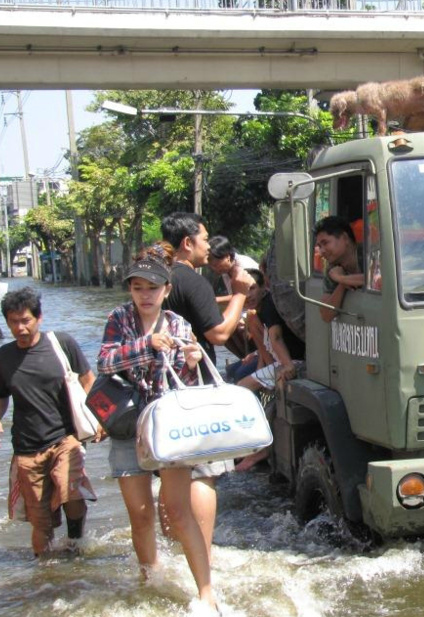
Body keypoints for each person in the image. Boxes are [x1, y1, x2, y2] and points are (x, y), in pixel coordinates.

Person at [97, 243, 219, 610]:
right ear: (130, 290)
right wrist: (145, 345)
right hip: (128, 423)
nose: (145, 295)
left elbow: (188, 381)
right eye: (137, 288)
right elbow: (105, 361)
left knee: (179, 511)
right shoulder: (119, 318)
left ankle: (206, 591)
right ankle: (150, 577)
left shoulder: (180, 324)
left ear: (166, 289)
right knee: (140, 513)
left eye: (152, 288)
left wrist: (193, 358)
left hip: (169, 426)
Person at [160, 212, 251, 569]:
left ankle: (171, 553)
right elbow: (219, 334)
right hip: (193, 387)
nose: (207, 246)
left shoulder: (157, 277)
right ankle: (203, 556)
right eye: (204, 239)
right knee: (203, 472)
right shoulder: (191, 280)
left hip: (161, 387)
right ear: (187, 243)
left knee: (170, 472)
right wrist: (241, 295)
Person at [0, 286, 98, 557]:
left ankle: (75, 542)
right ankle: (44, 574)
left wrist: (99, 419)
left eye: (25, 320)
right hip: (26, 448)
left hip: (65, 438)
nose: (20, 328)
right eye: (13, 322)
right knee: (40, 521)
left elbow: (88, 381)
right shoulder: (3, 357)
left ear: (39, 318)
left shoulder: (61, 344)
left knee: (72, 492)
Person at [234, 268, 305, 472]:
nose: (248, 295)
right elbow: (265, 346)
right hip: (280, 361)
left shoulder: (269, 306)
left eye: (253, 289)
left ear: (264, 288)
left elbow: (275, 338)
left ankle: (260, 449)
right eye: (244, 290)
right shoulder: (257, 313)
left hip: (293, 361)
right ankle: (254, 443)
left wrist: (288, 365)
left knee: (241, 388)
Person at [315, 216, 365, 323]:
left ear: (345, 238)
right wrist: (342, 285)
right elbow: (326, 315)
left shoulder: (368, 253)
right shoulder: (332, 269)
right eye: (319, 246)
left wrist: (340, 278)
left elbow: (373, 280)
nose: (322, 251)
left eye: (325, 243)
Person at [208, 235, 259, 305]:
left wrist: (214, 300)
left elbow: (247, 296)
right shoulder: (226, 272)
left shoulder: (244, 267)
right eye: (212, 266)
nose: (215, 269)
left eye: (216, 265)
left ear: (227, 257)